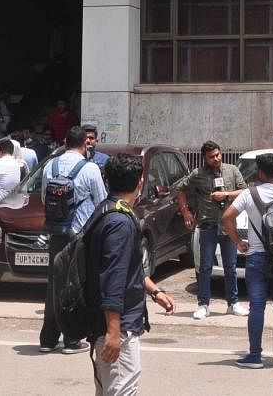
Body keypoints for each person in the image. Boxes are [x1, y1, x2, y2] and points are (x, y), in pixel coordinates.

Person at [86, 153, 175, 394]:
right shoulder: (120, 222)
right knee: (122, 390)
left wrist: (154, 291)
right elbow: (113, 278)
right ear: (140, 182)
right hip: (118, 326)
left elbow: (128, 267)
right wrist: (113, 332)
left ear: (107, 181)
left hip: (109, 322)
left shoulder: (106, 211)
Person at [221, 152, 273, 370]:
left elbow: (227, 217)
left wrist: (238, 241)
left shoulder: (249, 194)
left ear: (261, 172)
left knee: (257, 306)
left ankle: (255, 356)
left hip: (256, 256)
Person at [39, 125, 107, 354]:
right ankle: (71, 339)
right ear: (84, 144)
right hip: (80, 235)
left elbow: (42, 198)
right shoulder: (90, 169)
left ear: (65, 142)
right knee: (75, 286)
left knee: (54, 285)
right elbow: (102, 202)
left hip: (55, 231)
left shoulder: (50, 165)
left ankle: (48, 340)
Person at [174, 140, 248, 319]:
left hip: (228, 227)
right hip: (207, 226)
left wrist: (227, 195)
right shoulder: (198, 174)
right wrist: (186, 212)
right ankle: (203, 304)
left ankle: (233, 303)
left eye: (218, 155)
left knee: (230, 267)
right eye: (211, 157)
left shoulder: (232, 170)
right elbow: (179, 189)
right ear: (204, 158)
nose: (216, 159)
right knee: (205, 267)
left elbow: (244, 191)